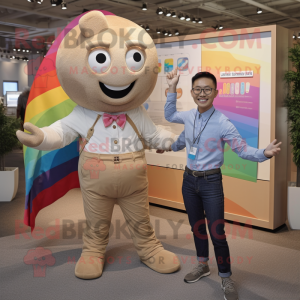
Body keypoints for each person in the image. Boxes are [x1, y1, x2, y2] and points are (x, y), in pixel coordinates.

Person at [164, 68, 281, 300]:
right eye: (198, 89)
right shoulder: (188, 116)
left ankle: (226, 276)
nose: (202, 93)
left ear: (215, 92)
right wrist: (171, 87)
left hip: (211, 182)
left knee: (217, 233)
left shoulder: (223, 123)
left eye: (207, 89)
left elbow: (242, 150)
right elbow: (171, 118)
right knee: (197, 228)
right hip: (189, 181)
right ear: (192, 92)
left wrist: (263, 153)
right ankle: (202, 265)